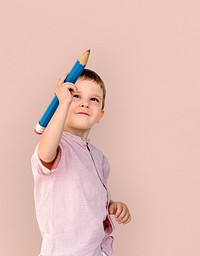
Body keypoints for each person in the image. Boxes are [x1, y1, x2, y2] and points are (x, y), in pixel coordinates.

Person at [31, 69, 131, 256]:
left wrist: (112, 205)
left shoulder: (99, 158)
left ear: (101, 114)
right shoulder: (57, 145)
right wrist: (63, 103)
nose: (85, 103)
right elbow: (45, 152)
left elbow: (90, 198)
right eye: (76, 96)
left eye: (94, 99)